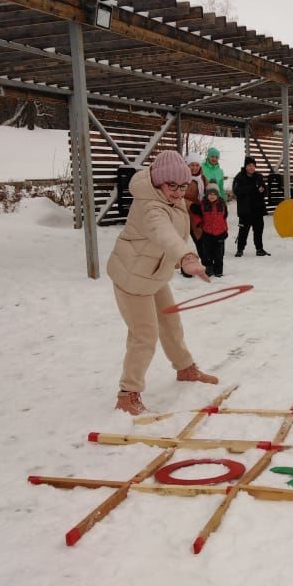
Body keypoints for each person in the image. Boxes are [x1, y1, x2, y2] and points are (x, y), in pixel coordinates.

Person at [106, 150, 218, 416]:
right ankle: (127, 393)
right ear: (158, 181)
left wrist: (189, 256)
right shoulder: (150, 205)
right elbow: (164, 234)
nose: (179, 192)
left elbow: (179, 233)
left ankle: (185, 368)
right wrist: (185, 256)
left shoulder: (170, 198)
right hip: (132, 277)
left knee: (171, 323)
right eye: (172, 186)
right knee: (144, 335)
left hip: (154, 274)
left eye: (183, 186)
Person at [232, 156, 269, 257]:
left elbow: (265, 190)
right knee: (243, 230)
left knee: (258, 230)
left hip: (257, 209)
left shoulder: (259, 177)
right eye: (249, 165)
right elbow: (237, 191)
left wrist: (263, 190)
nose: (251, 167)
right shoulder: (239, 177)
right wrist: (253, 188)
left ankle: (259, 249)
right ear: (245, 166)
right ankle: (240, 249)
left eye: (253, 165)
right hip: (245, 209)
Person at [178, 153, 204, 278]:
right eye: (191, 165)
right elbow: (177, 196)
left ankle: (204, 265)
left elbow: (210, 193)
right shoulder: (182, 179)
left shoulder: (203, 179)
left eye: (197, 165)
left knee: (201, 241)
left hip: (197, 216)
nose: (194, 167)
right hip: (182, 215)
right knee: (182, 243)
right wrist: (191, 205)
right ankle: (185, 268)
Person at [199, 182, 229, 277]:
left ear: (218, 195)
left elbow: (224, 218)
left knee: (219, 254)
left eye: (214, 194)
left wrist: (225, 230)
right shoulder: (203, 204)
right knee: (207, 253)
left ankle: (218, 271)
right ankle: (208, 269)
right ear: (206, 195)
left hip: (220, 232)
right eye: (210, 194)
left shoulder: (222, 204)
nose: (212, 196)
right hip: (207, 232)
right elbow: (198, 216)